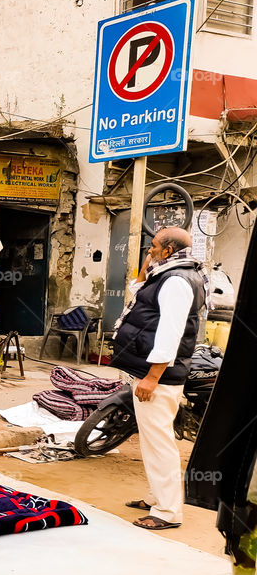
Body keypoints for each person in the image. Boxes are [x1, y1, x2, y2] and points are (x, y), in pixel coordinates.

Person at [111, 227, 207, 531]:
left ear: (168, 250)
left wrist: (153, 377)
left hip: (160, 376)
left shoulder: (176, 281)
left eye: (153, 246)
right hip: (151, 370)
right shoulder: (169, 273)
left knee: (159, 442)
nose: (149, 250)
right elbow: (139, 297)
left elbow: (169, 333)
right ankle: (156, 496)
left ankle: (167, 511)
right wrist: (144, 270)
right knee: (152, 440)